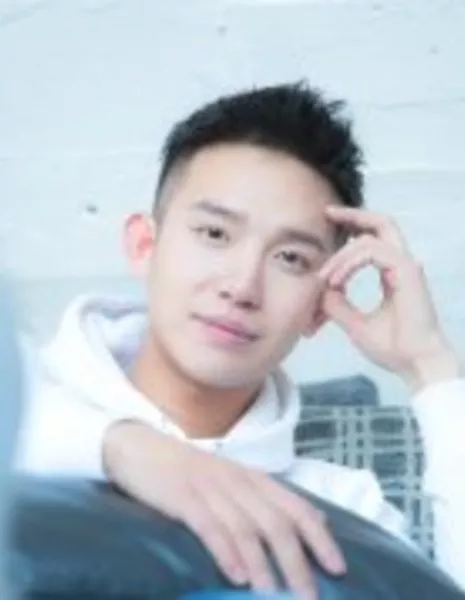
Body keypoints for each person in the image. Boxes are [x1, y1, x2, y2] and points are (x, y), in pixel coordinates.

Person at [14, 82, 465, 600]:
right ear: (144, 245)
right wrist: (119, 447)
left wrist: (431, 368)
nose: (243, 286)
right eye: (215, 234)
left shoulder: (343, 510)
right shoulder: (27, 402)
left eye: (291, 258)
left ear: (320, 307)